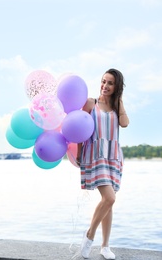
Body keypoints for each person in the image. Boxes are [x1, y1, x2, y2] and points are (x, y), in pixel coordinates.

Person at [76, 68, 129, 259]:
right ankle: (89, 235)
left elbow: (124, 123)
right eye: (103, 81)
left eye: (110, 83)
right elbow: (80, 128)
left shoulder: (116, 106)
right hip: (95, 155)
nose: (105, 86)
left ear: (117, 87)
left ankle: (105, 246)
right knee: (110, 198)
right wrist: (80, 153)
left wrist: (120, 101)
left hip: (113, 156)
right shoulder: (91, 103)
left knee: (109, 202)